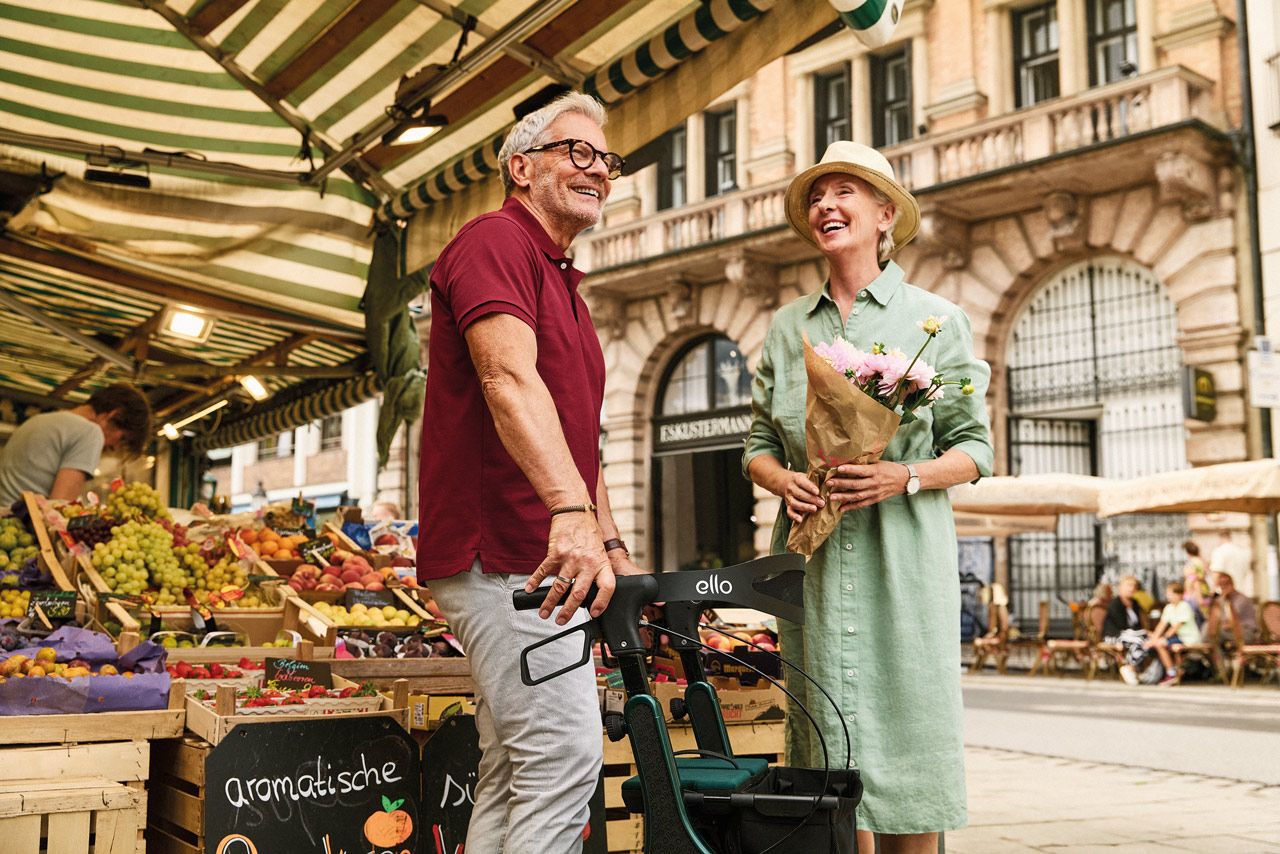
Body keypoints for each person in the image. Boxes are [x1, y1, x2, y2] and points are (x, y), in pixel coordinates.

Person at [743, 141, 993, 853]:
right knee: (827, 775)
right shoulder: (789, 328)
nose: (827, 205)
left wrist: (903, 476)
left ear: (886, 215)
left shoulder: (937, 321)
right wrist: (780, 477)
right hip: (812, 575)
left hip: (901, 572)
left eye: (845, 191)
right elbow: (757, 444)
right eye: (818, 196)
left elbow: (976, 451)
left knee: (912, 768)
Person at [414, 91, 644, 853]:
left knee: (516, 771)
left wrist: (610, 544)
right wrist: (570, 516)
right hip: (506, 557)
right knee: (562, 759)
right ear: (520, 166)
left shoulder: (561, 281)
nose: (599, 170)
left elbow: (583, 443)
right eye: (576, 152)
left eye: (606, 160)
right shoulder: (494, 242)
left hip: (537, 560)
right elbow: (505, 381)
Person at [0, 383, 151, 506]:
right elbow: (59, 508)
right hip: (24, 532)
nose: (116, 446)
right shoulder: (90, 432)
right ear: (113, 415)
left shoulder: (38, 420)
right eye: (123, 438)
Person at [1143, 581, 1201, 686]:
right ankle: (1171, 671)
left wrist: (1163, 638)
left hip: (1188, 638)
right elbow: (1161, 625)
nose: (1168, 596)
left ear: (1179, 595)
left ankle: (1171, 673)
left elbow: (1176, 626)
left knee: (1160, 643)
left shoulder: (1184, 606)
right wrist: (1153, 639)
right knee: (1156, 644)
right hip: (1179, 637)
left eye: (1170, 594)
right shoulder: (1168, 608)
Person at [1102, 575, 1148, 685]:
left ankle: (1137, 670)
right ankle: (1129, 667)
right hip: (1114, 635)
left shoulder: (1135, 603)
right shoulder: (1115, 604)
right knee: (1139, 640)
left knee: (1148, 639)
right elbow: (1121, 625)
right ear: (1120, 587)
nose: (1131, 588)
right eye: (1129, 585)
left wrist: (1143, 632)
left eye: (1134, 586)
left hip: (1131, 635)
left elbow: (1137, 625)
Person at [1212, 571, 1258, 644]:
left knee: (1215, 634)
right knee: (1210, 631)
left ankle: (1200, 653)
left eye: (1226, 584)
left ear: (1232, 584)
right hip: (1232, 631)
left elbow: (1230, 619)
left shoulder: (1241, 599)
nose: (1223, 587)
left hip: (1247, 631)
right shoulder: (1221, 599)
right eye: (1221, 585)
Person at [1209, 529, 1253, 597]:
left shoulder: (1219, 551)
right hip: (1241, 592)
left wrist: (1212, 592)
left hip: (1225, 594)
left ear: (1220, 538)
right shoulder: (1242, 552)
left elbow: (1216, 574)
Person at [1181, 540, 1210, 623]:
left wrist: (1197, 595)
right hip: (1203, 591)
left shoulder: (1192, 563)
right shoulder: (1201, 561)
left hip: (1195, 594)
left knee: (1197, 620)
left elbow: (1194, 580)